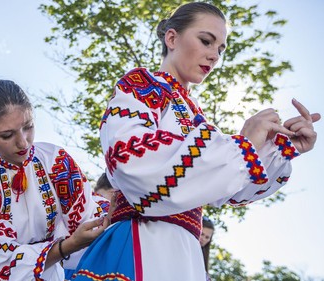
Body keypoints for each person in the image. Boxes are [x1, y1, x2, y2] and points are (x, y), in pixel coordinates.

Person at [72, 2, 320, 281]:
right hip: (144, 242)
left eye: (221, 49)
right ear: (172, 38)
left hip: (184, 252)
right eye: (206, 41)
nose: (214, 56)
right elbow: (129, 159)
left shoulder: (199, 120)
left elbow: (228, 190)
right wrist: (244, 143)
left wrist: (280, 150)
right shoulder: (142, 85)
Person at [0, 79, 110, 280]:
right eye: (7, 135)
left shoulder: (56, 161)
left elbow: (86, 216)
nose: (23, 142)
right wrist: (66, 247)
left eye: (28, 127)